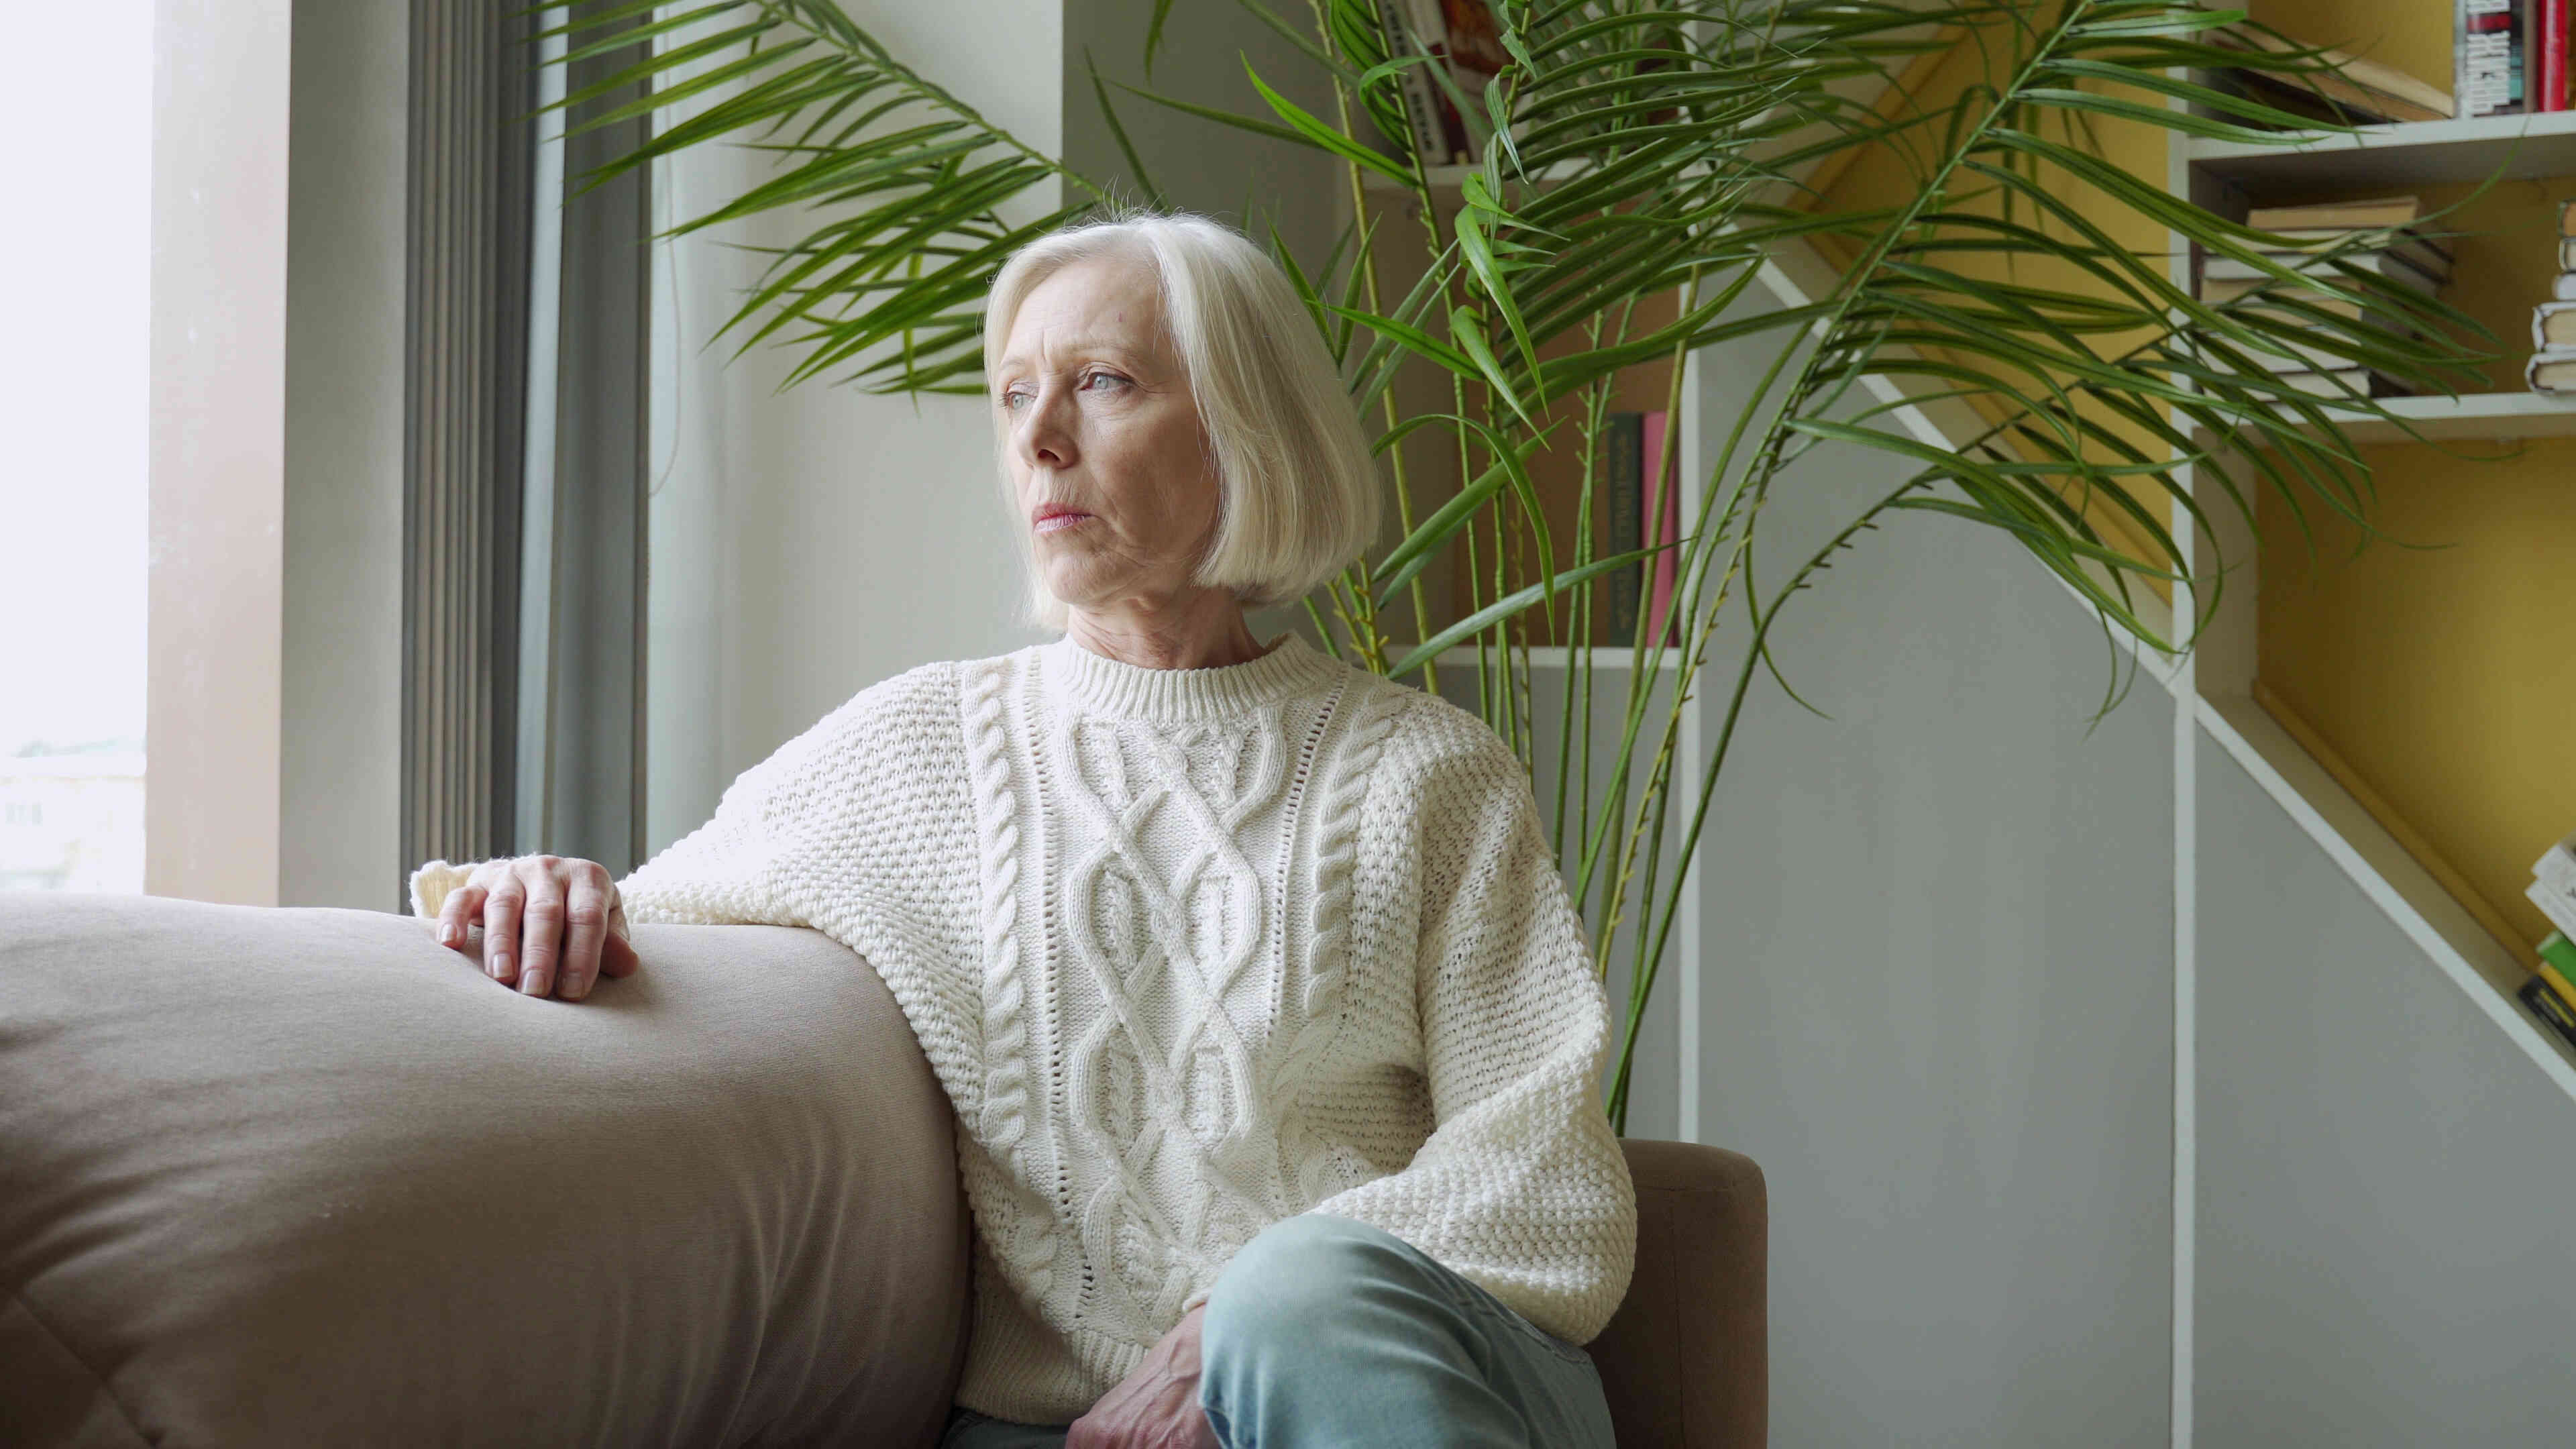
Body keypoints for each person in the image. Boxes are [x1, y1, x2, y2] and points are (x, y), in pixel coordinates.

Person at [407, 205, 1635, 1449]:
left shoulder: (1429, 775)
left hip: (1397, 1377)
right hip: (1071, 1426)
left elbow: (1552, 1181)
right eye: (1012, 396)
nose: (1040, 441)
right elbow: (654, 906)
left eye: (1102, 384)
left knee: (1293, 1300)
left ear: (1242, 424)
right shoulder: (926, 751)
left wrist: (1234, 1325)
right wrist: (536, 883)